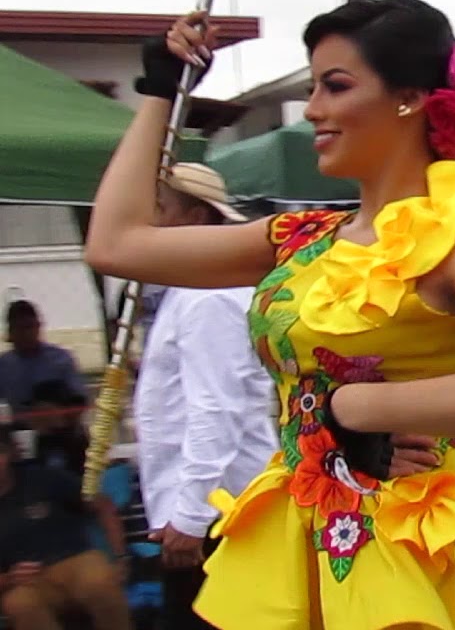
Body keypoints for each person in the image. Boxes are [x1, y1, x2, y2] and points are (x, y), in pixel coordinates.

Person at [83, 0, 455, 628]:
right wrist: (159, 90)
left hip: (410, 538)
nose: (313, 108)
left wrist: (362, 408)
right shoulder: (300, 238)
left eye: (335, 86)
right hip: (300, 524)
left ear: (409, 98)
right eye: (314, 86)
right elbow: (116, 244)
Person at [130, 163, 280, 630]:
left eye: (160, 209)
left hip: (221, 515)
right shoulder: (190, 290)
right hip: (211, 512)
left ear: (194, 218)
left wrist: (191, 515)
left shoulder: (208, 297)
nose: (149, 221)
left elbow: (217, 412)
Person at [0, 425, 132, 630]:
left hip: (76, 559)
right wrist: (8, 578)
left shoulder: (42, 478)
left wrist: (120, 556)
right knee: (19, 605)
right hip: (25, 580)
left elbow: (102, 505)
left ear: (8, 454)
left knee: (99, 582)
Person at [0, 301, 86, 409]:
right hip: (21, 424)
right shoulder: (4, 365)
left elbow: (79, 400)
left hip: (62, 422)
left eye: (29, 327)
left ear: (38, 326)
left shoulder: (60, 359)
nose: (26, 334)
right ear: (10, 332)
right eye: (20, 328)